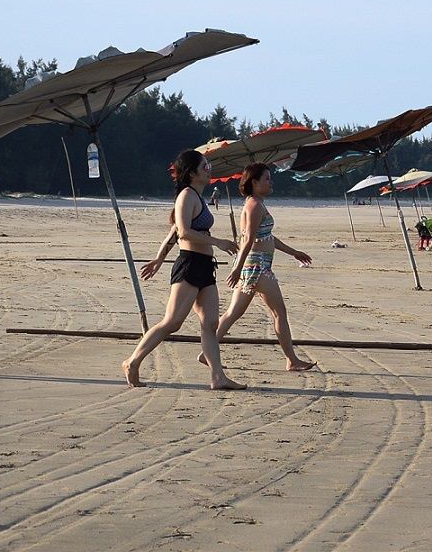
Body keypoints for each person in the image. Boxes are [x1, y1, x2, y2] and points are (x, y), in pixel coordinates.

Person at [124, 149, 244, 390]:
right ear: (191, 173)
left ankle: (217, 377)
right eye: (204, 166)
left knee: (210, 324)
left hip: (205, 268)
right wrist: (217, 242)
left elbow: (173, 232)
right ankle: (132, 361)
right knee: (173, 321)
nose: (209, 169)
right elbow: (184, 232)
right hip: (189, 265)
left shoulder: (197, 197)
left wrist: (159, 258)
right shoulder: (186, 196)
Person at [203, 163, 316, 372]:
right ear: (254, 183)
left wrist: (294, 253)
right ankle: (292, 360)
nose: (271, 182)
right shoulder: (254, 205)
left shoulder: (256, 204)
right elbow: (248, 241)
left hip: (252, 266)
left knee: (232, 313)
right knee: (279, 313)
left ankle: (206, 352)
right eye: (266, 179)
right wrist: (236, 269)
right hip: (258, 267)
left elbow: (268, 237)